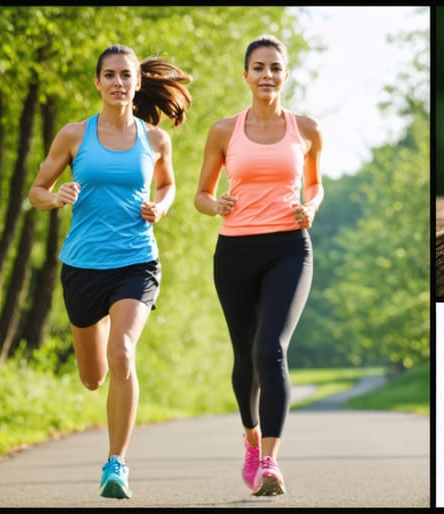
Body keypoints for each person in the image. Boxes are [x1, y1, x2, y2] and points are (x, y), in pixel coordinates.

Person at [28, 44, 192, 499]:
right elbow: (36, 191)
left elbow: (168, 183)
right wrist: (55, 196)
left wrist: (161, 205)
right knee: (93, 376)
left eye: (127, 75)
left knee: (122, 354)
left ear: (138, 84)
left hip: (136, 261)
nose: (119, 82)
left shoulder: (155, 140)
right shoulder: (74, 136)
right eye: (110, 75)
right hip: (82, 265)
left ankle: (116, 463)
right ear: (98, 83)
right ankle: (109, 432)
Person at [193, 34, 323, 497]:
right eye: (258, 67)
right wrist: (216, 205)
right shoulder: (224, 131)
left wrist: (312, 207)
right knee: (245, 356)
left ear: (286, 75)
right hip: (235, 252)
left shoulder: (305, 129)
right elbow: (200, 195)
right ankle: (250, 440)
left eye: (275, 68)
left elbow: (315, 185)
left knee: (271, 349)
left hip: (290, 248)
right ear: (245, 75)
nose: (267, 75)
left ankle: (270, 462)